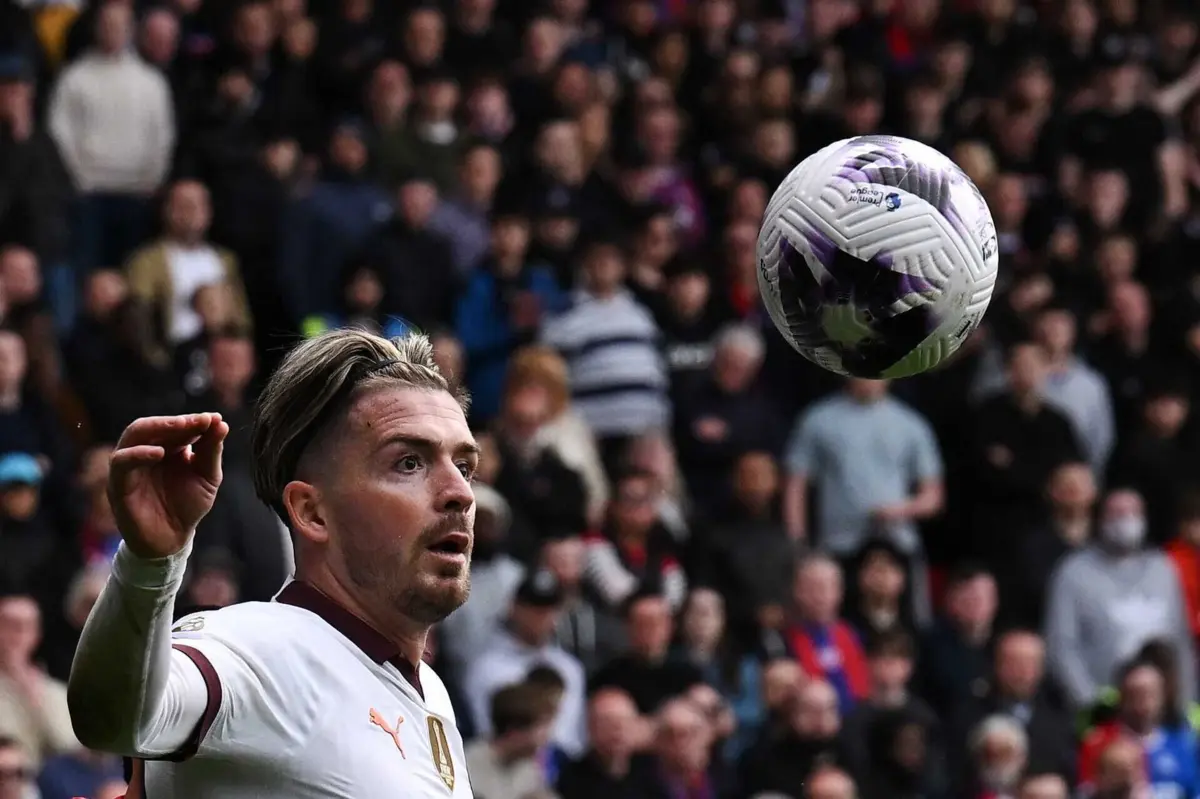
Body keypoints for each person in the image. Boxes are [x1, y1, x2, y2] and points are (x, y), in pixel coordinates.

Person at [67, 329, 480, 796]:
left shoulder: (431, 694)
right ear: (312, 512)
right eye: (408, 462)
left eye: (465, 467)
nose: (461, 493)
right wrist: (149, 564)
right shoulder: (259, 649)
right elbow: (113, 718)